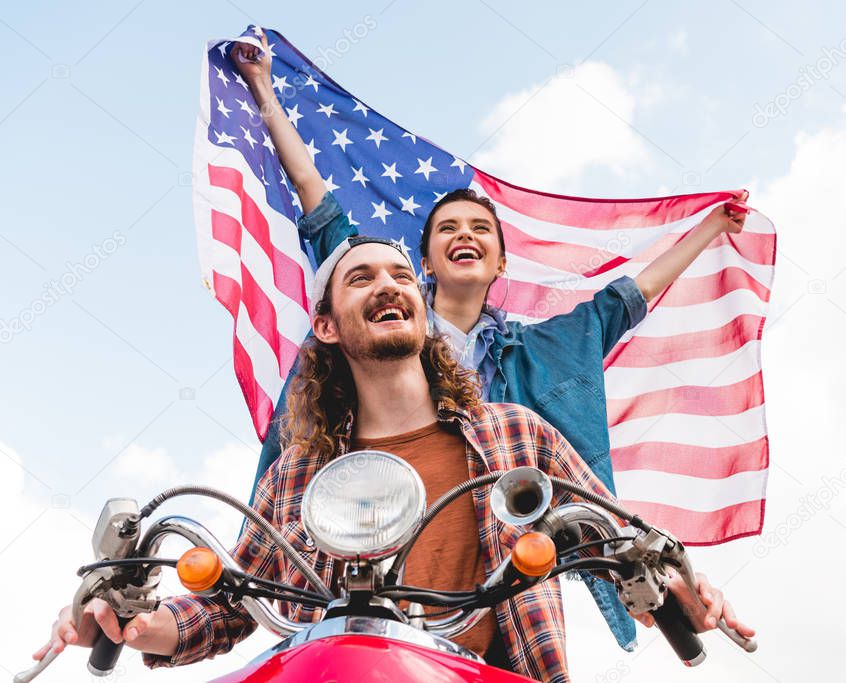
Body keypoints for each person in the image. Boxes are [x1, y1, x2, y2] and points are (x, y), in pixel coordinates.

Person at [232, 31, 749, 650]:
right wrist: (264, 90)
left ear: (500, 264)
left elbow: (624, 302)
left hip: (487, 585)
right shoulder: (361, 354)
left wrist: (709, 228)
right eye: (447, 227)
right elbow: (320, 205)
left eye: (480, 227)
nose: (463, 234)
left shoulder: (523, 398)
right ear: (423, 260)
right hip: (361, 574)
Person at [35, 237, 755, 682]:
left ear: (419, 302)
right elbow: (230, 601)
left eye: (400, 274)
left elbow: (611, 540)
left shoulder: (513, 436)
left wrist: (679, 586)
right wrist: (137, 619)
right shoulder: (297, 471)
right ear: (326, 324)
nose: (388, 284)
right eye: (360, 278)